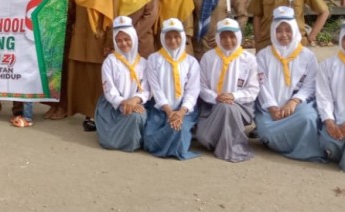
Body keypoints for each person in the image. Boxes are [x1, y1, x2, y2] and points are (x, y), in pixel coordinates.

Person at [254, 6, 325, 161]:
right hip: (269, 109)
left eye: (288, 30)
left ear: (295, 31)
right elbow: (261, 84)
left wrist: (293, 101)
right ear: (273, 32)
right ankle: (277, 143)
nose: (283, 35)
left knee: (307, 117)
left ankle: (304, 149)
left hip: (297, 106)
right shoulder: (263, 55)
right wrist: (272, 107)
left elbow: (311, 84)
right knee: (267, 131)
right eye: (279, 30)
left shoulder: (307, 56)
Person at [196, 18, 260, 162]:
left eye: (232, 36)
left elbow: (253, 89)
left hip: (240, 106)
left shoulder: (249, 59)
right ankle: (223, 141)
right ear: (218, 38)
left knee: (227, 108)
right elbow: (201, 86)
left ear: (238, 36)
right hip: (211, 105)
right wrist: (216, 97)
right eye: (223, 37)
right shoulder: (209, 57)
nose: (228, 41)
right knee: (203, 138)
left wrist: (233, 96)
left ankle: (230, 147)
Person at [66, 0, 117, 131]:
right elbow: (72, 16)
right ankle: (87, 112)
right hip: (80, 40)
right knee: (82, 78)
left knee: (97, 80)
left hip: (98, 41)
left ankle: (98, 114)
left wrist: (109, 44)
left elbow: (112, 19)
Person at [144, 18, 200, 160]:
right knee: (150, 142)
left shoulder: (191, 62)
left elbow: (192, 90)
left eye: (176, 37)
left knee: (179, 137)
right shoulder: (154, 59)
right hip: (160, 109)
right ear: (163, 38)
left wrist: (181, 112)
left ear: (182, 37)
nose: (172, 41)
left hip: (183, 110)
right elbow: (155, 88)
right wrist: (169, 111)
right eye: (168, 37)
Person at [94, 16, 149, 152]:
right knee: (108, 142)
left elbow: (146, 89)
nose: (123, 44)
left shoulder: (143, 63)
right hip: (112, 106)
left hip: (136, 104)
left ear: (134, 39)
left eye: (127, 39)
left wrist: (135, 100)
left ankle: (132, 143)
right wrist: (124, 102)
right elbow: (109, 90)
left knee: (137, 117)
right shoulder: (110, 61)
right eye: (118, 41)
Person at [40, 0, 81, 121]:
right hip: (49, 33)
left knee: (64, 71)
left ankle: (64, 105)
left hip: (68, 33)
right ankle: (54, 105)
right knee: (51, 70)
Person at [317, 24, 345, 172]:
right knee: (330, 148)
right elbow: (323, 97)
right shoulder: (327, 65)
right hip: (335, 122)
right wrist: (329, 121)